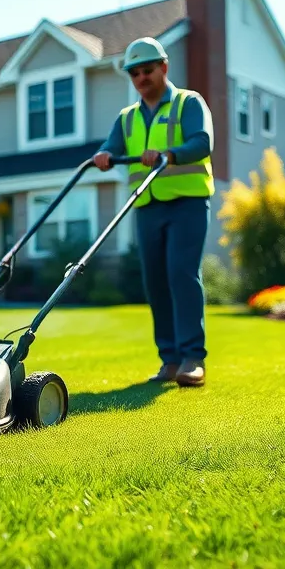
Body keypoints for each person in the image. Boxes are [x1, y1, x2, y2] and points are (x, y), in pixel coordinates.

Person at [93, 36, 215, 387]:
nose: (141, 77)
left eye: (147, 69)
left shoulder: (188, 103)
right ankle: (170, 360)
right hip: (146, 206)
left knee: (181, 273)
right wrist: (103, 156)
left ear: (164, 67)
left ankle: (193, 357)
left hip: (186, 202)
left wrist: (169, 154)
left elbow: (202, 142)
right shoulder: (127, 118)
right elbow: (111, 147)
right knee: (156, 282)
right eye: (135, 73)